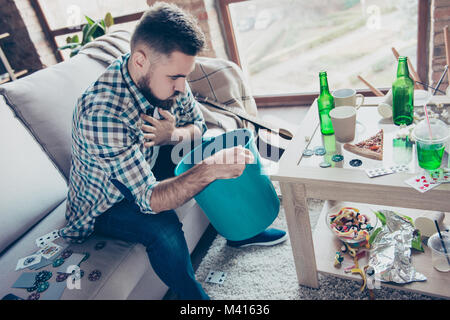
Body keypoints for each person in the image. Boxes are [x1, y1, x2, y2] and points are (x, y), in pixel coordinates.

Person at [60, 2, 286, 300]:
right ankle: (192, 298)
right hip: (106, 203)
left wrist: (173, 134)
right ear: (140, 61)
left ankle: (240, 232)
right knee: (163, 227)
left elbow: (198, 129)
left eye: (185, 76)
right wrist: (208, 169)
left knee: (218, 145)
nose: (182, 87)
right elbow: (150, 199)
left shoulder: (169, 77)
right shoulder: (101, 113)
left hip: (147, 161)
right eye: (174, 78)